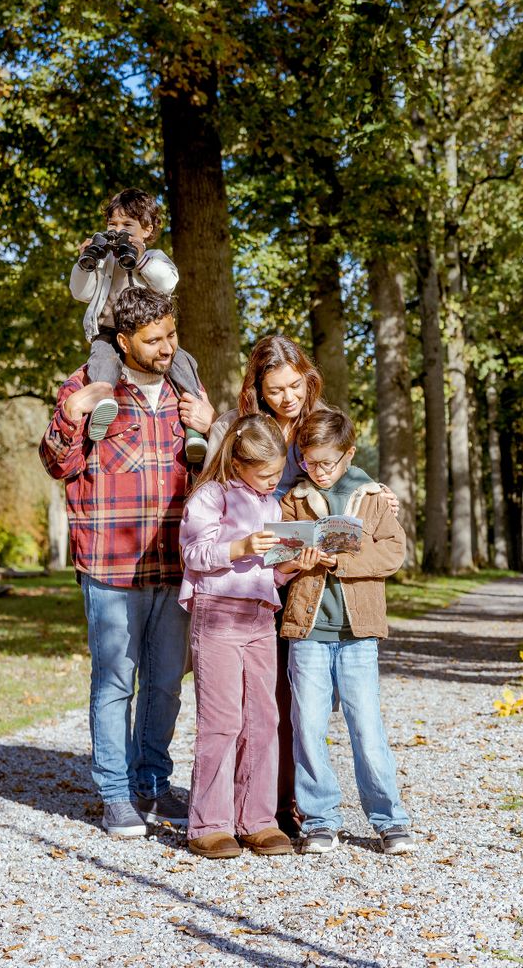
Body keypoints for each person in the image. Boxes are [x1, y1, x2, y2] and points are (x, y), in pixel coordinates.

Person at [204, 335, 399, 838]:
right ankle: (257, 805)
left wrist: (375, 493)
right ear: (258, 389)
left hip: (310, 585)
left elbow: (347, 476)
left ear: (307, 379)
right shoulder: (241, 426)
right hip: (260, 574)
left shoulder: (319, 423)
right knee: (261, 700)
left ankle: (295, 805)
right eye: (275, 390)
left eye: (294, 386)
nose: (287, 398)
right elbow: (217, 486)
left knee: (301, 708)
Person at [39, 286, 215, 837]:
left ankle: (154, 784)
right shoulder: (91, 385)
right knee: (115, 682)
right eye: (153, 340)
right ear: (123, 340)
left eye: (171, 336)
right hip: (111, 565)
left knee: (165, 684)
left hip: (175, 564)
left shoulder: (187, 391)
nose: (166, 348)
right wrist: (70, 415)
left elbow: (217, 475)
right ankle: (115, 794)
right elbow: (56, 463)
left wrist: (214, 426)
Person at [178, 414, 328, 859]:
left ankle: (257, 818)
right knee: (222, 721)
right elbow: (193, 553)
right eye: (263, 474)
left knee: (264, 719)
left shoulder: (268, 504)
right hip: (218, 614)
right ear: (238, 462)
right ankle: (208, 821)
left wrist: (292, 565)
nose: (270, 483)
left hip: (260, 616)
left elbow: (269, 573)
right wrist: (240, 547)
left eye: (275, 474)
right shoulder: (212, 495)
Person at [279, 408, 415, 855]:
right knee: (309, 725)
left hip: (358, 633)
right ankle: (320, 820)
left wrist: (342, 560)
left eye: (326, 463)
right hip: (308, 630)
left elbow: (393, 552)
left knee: (366, 726)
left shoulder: (372, 497)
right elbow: (278, 558)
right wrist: (295, 560)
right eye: (308, 461)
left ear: (348, 454)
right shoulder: (295, 497)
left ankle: (389, 819)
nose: (316, 471)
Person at [70, 187, 207, 460]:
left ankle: (195, 428)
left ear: (147, 229)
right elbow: (81, 293)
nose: (118, 231)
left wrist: (139, 257)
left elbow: (168, 282)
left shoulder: (154, 257)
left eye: (127, 226)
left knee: (182, 362)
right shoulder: (103, 262)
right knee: (102, 360)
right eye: (112, 225)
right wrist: (85, 263)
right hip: (109, 330)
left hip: (148, 331)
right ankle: (103, 405)